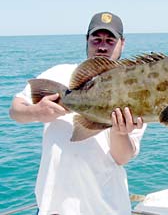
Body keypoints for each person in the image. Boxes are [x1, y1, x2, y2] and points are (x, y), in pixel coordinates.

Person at [9, 12, 146, 215]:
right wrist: (36, 112)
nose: (102, 46)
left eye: (110, 40)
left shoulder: (136, 88)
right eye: (96, 39)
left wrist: (120, 132)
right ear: (87, 40)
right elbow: (15, 110)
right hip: (53, 208)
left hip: (108, 208)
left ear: (122, 43)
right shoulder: (58, 74)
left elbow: (122, 157)